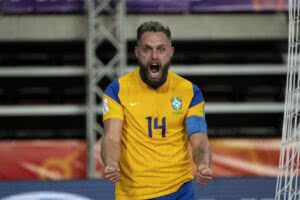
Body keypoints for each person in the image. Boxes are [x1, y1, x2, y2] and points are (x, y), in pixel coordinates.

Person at [101, 21, 212, 200]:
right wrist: (111, 164)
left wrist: (204, 164)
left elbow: (199, 139)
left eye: (161, 49)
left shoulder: (190, 92)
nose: (154, 56)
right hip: (135, 193)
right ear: (137, 52)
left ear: (171, 52)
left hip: (180, 190)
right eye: (147, 49)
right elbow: (112, 137)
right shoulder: (117, 91)